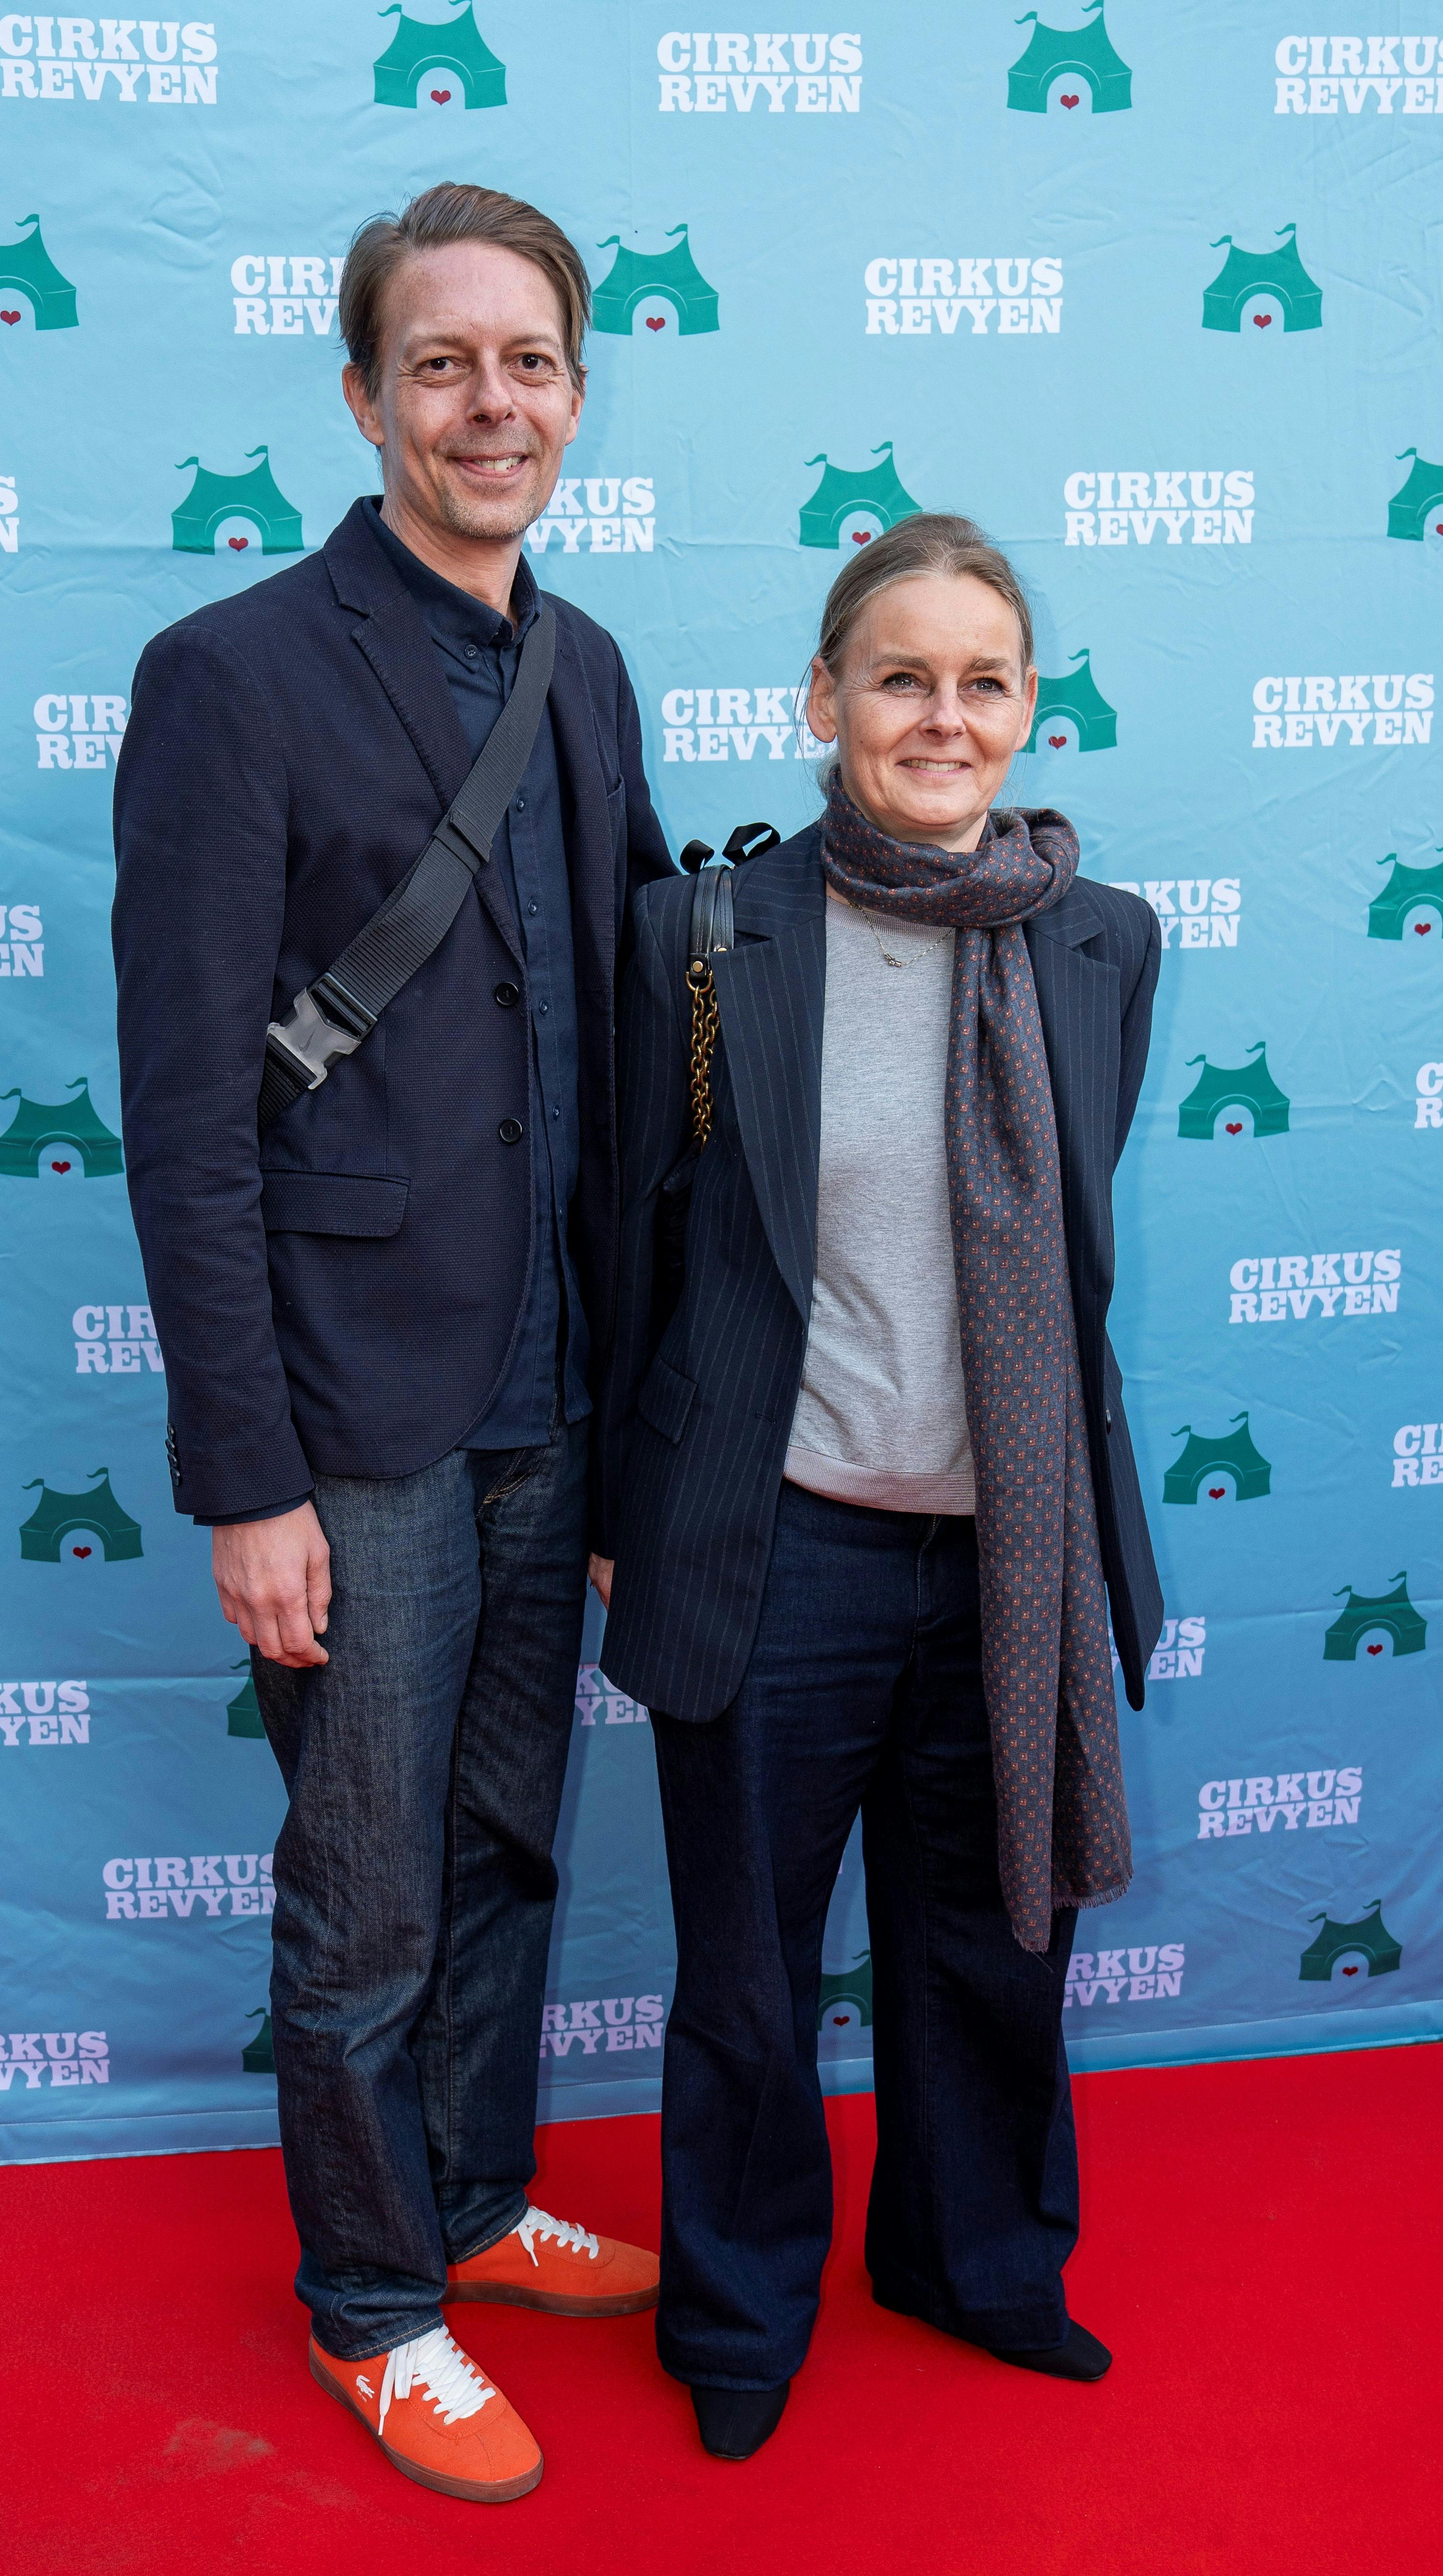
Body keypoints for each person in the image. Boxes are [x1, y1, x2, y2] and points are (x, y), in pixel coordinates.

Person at [112, 183, 672, 2506]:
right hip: (343, 1415)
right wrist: (242, 1472)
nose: (490, 400)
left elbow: (640, 1036)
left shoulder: (593, 663)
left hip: (552, 1387)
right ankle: (372, 2304)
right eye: (441, 362)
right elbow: (179, 1115)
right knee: (363, 1894)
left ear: (573, 394)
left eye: (528, 360)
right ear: (363, 398)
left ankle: (463, 2197)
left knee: (512, 1841)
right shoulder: (231, 672)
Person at [590, 514, 1163, 2460]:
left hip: (1014, 1547)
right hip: (779, 1540)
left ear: (1025, 708)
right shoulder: (702, 933)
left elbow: (1063, 1257)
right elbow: (627, 1246)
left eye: (981, 679)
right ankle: (738, 2313)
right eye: (899, 675)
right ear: (822, 698)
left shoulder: (1100, 939)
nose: (941, 713)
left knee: (996, 1940)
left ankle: (978, 2262)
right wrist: (614, 1512)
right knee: (747, 1977)